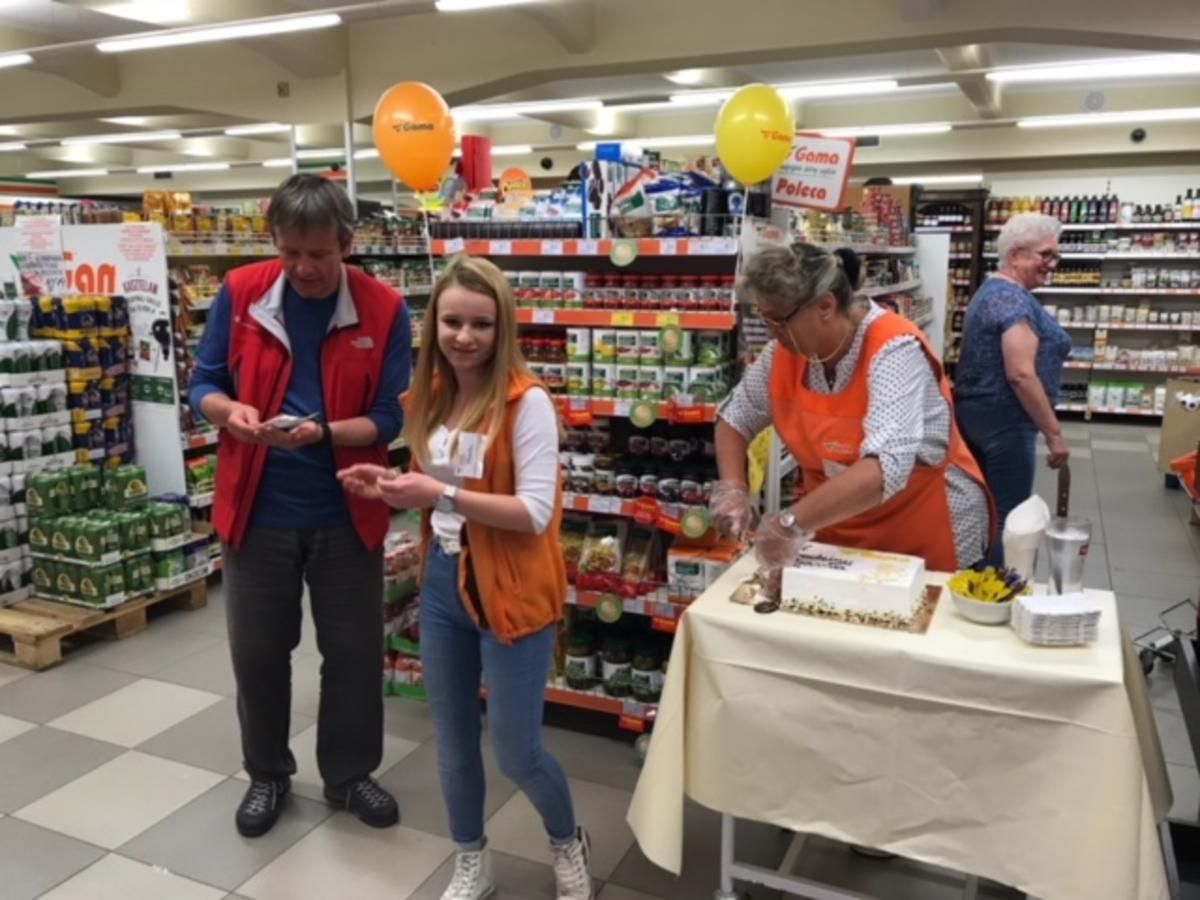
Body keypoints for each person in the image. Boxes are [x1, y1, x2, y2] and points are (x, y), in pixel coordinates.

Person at [339, 255, 592, 900]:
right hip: (443, 584)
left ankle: (568, 841)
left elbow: (533, 513)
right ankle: (471, 858)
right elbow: (433, 485)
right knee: (452, 743)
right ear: (434, 324)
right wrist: (388, 485)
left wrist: (439, 496)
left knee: (517, 752)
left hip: (512, 587)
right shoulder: (430, 395)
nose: (464, 336)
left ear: (502, 327)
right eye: (452, 321)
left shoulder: (526, 403)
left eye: (481, 323)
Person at [188, 174, 410, 837]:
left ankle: (349, 774)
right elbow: (203, 383)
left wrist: (326, 433)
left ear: (347, 243)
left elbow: (389, 417)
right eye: (290, 253)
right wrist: (230, 413)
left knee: (352, 653)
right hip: (257, 511)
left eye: (319, 254)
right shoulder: (241, 292)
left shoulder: (384, 308)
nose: (305, 268)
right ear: (275, 242)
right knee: (258, 652)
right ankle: (266, 773)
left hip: (347, 511)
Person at [712, 243, 992, 572]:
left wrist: (789, 523)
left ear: (825, 305)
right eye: (765, 318)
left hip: (922, 526)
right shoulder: (784, 354)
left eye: (780, 320)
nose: (771, 333)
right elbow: (735, 417)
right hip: (837, 525)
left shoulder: (894, 348)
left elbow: (884, 468)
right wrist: (733, 489)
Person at [953, 212, 1072, 564]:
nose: (1052, 264)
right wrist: (1053, 433)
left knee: (985, 509)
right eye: (1045, 254)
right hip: (1006, 421)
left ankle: (976, 578)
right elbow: (1020, 373)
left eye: (1055, 256)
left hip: (978, 415)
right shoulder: (1012, 300)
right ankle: (997, 587)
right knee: (1011, 515)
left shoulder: (992, 291)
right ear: (1016, 255)